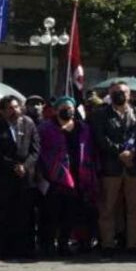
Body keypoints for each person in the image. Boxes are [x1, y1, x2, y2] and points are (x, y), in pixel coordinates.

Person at [90, 81, 136, 256]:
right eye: (115, 92)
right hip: (111, 167)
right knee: (107, 208)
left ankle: (133, 244)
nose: (119, 94)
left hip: (134, 167)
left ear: (129, 94)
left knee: (135, 208)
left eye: (123, 91)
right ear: (110, 95)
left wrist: (132, 153)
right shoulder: (100, 114)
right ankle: (108, 244)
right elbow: (101, 139)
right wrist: (120, 153)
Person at [38, 97, 98, 256]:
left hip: (78, 174)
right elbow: (41, 151)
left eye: (70, 107)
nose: (68, 110)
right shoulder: (46, 128)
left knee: (71, 212)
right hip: (55, 175)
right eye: (64, 107)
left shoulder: (83, 128)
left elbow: (90, 149)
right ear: (56, 110)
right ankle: (48, 244)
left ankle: (65, 243)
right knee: (52, 212)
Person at [0, 95, 40, 258]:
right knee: (4, 213)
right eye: (10, 108)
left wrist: (25, 166)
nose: (14, 111)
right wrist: (13, 166)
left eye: (16, 107)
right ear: (2, 111)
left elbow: (35, 149)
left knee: (25, 213)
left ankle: (25, 247)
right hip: (4, 176)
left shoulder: (28, 123)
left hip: (26, 176)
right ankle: (1, 247)